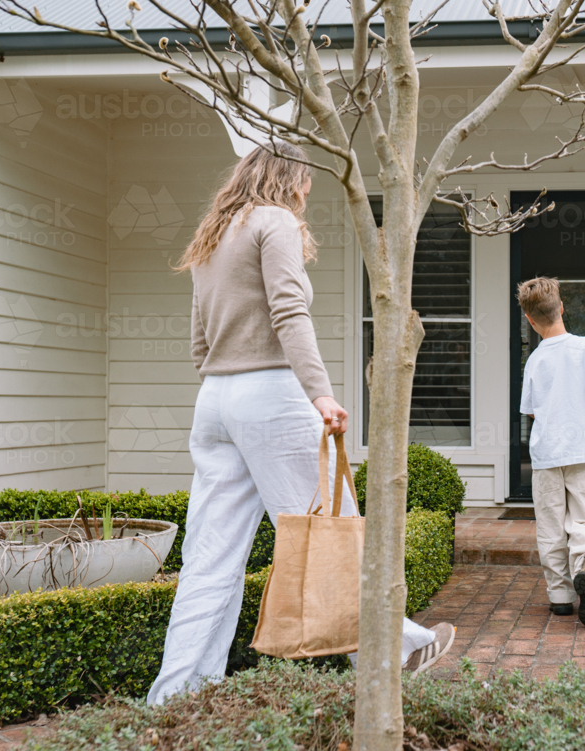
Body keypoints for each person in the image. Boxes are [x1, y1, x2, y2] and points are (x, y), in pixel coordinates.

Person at [147, 143, 454, 705]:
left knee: (209, 557)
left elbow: (199, 341)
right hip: (271, 394)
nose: (308, 192)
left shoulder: (213, 235)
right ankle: (396, 650)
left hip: (214, 399)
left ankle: (176, 697)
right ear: (288, 179)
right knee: (333, 522)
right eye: (305, 182)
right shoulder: (276, 222)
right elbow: (289, 310)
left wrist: (227, 386)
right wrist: (319, 393)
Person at [517, 277, 585, 629]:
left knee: (551, 526)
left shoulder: (535, 359)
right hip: (583, 450)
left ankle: (560, 597)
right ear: (561, 308)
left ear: (530, 319)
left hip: (545, 455)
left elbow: (530, 410)